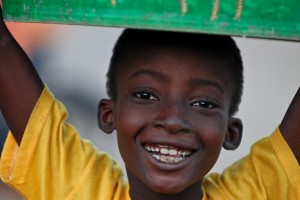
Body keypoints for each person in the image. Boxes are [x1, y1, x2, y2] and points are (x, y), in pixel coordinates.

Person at [0, 7, 299, 200]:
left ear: (230, 133)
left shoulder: (255, 193)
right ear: (108, 114)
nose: (172, 120)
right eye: (146, 96)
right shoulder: (80, 189)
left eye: (203, 103)